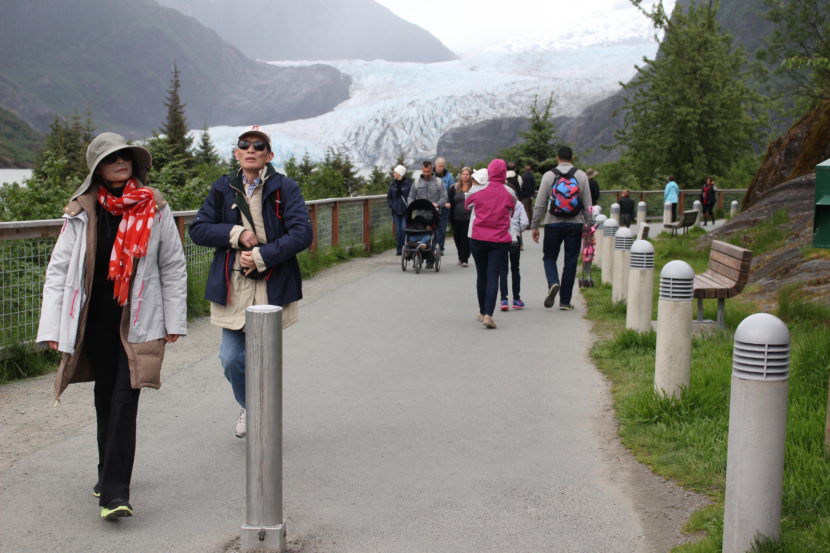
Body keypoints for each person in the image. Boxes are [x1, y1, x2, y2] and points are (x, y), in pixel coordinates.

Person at [36, 132, 188, 519]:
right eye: (111, 158)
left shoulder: (154, 206)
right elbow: (58, 271)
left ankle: (115, 494)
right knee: (106, 397)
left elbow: (172, 264)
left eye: (125, 156)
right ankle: (106, 476)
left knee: (124, 398)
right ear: (97, 170)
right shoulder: (82, 209)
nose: (121, 162)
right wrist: (53, 327)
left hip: (137, 318)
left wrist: (174, 319)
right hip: (94, 321)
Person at [189, 126, 313, 438]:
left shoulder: (286, 188)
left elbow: (302, 233)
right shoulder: (223, 187)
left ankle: (265, 421)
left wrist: (262, 256)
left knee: (265, 359)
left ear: (269, 155)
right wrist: (236, 235)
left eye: (259, 146)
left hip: (272, 282)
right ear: (236, 153)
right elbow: (199, 228)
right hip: (234, 285)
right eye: (244, 145)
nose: (251, 149)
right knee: (231, 358)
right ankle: (249, 406)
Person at [530, 146, 593, 311]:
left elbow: (540, 204)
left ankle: (553, 282)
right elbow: (588, 204)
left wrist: (535, 226)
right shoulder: (581, 175)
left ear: (557, 158)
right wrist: (589, 227)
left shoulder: (549, 175)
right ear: (572, 158)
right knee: (571, 261)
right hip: (575, 223)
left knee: (549, 257)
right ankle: (565, 301)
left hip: (552, 223)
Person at [465, 159, 516, 329]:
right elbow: (512, 210)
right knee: (494, 275)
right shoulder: (510, 192)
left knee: (482, 274)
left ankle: (481, 311)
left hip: (478, 238)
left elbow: (467, 204)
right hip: (499, 240)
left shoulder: (478, 190)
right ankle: (489, 315)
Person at [407, 160, 448, 268]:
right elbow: (411, 196)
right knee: (418, 232)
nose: (426, 174)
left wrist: (438, 204)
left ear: (432, 170)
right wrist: (411, 205)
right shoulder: (416, 182)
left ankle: (430, 259)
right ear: (422, 170)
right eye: (424, 171)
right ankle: (417, 256)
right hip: (419, 215)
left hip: (433, 214)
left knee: (433, 235)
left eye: (428, 171)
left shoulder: (438, 182)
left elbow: (444, 196)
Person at [498, 197, 529, 311]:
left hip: (501, 238)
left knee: (503, 270)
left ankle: (504, 300)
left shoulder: (498, 201)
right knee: (515, 268)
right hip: (514, 239)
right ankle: (516, 299)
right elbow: (525, 222)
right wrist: (517, 230)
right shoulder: (518, 204)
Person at [447, 166, 473, 266]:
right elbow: (450, 200)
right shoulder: (454, 187)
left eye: (467, 174)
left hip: (468, 217)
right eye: (463, 174)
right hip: (456, 217)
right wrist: (448, 204)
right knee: (457, 238)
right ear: (460, 175)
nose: (465, 176)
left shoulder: (473, 188)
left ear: (470, 176)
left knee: (465, 239)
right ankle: (460, 256)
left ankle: (464, 259)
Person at [387, 164, 412, 255]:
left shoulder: (408, 184)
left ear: (400, 173)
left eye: (395, 172)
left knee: (404, 229)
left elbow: (411, 196)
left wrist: (409, 206)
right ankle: (399, 249)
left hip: (405, 211)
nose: (393, 174)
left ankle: (406, 247)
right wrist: (391, 205)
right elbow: (389, 196)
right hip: (396, 211)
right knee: (398, 231)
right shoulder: (393, 184)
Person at [433, 157, 455, 251]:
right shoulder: (431, 175)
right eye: (439, 166)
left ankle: (440, 247)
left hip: (445, 206)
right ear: (435, 166)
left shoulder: (449, 176)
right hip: (434, 205)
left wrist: (448, 202)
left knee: (442, 228)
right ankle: (433, 246)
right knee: (434, 227)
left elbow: (452, 190)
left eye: (443, 166)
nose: (441, 167)